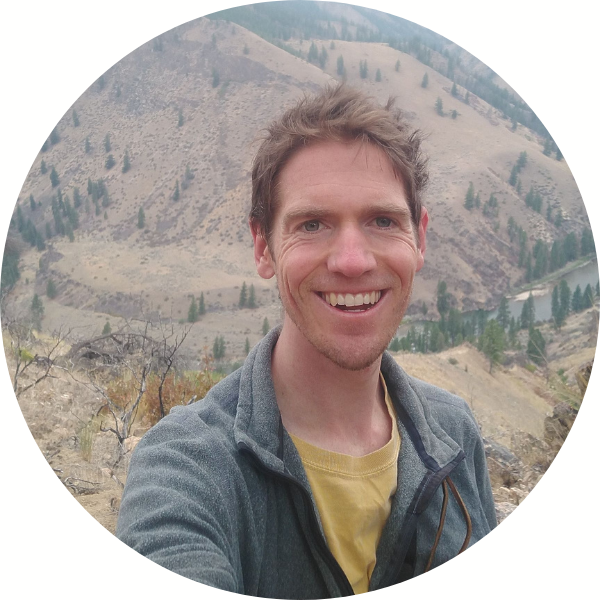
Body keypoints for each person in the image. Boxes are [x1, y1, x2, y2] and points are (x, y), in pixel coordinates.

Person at [116, 83, 497, 597]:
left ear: (420, 238)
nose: (352, 260)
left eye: (383, 220)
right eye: (312, 224)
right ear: (263, 248)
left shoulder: (455, 434)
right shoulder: (188, 469)